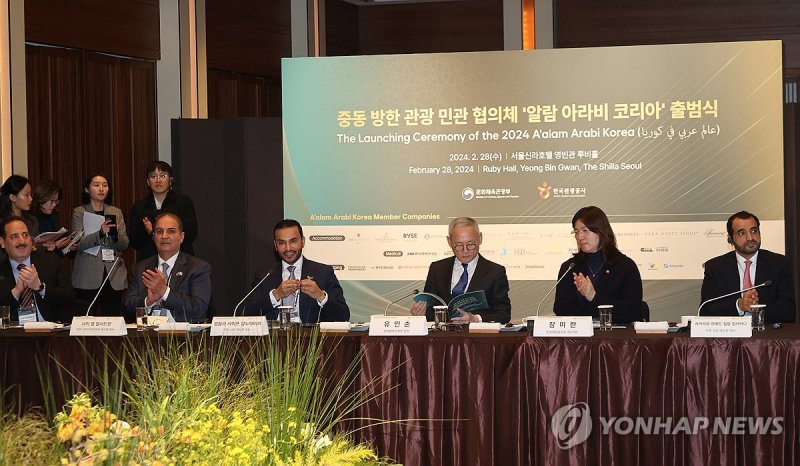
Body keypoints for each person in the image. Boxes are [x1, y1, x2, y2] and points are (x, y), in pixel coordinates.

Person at [243, 219, 349, 322]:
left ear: (302, 241)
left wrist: (320, 296)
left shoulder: (323, 272)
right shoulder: (264, 275)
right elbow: (246, 312)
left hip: (309, 334)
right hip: (274, 333)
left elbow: (343, 316)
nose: (288, 248)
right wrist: (276, 295)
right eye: (282, 243)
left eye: (293, 241)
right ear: (275, 245)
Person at [410, 217, 511, 324]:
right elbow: (431, 309)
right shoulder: (437, 269)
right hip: (443, 333)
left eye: (470, 244)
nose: (465, 250)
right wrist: (421, 314)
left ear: (480, 238)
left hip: (477, 334)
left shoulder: (495, 272)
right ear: (449, 241)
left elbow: (504, 314)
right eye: (458, 245)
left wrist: (476, 319)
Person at [700, 211, 795, 322]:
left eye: (754, 231)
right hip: (730, 332)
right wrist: (739, 305)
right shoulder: (715, 267)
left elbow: (789, 310)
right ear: (730, 239)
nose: (750, 237)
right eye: (741, 233)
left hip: (767, 331)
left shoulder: (779, 263)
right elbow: (706, 310)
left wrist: (757, 309)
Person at [553, 206, 644, 323]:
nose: (580, 237)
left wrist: (594, 297)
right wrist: (580, 296)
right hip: (578, 334)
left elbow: (633, 311)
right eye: (576, 232)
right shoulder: (570, 267)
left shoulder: (625, 266)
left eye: (585, 230)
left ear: (601, 231)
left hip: (614, 333)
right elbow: (559, 309)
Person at [122, 212, 211, 323]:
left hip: (183, 332)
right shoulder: (140, 268)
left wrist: (164, 291)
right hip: (148, 331)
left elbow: (199, 308)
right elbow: (126, 306)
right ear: (154, 237)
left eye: (171, 231)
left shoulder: (198, 267)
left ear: (182, 237)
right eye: (159, 231)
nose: (164, 236)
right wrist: (148, 302)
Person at [71, 174, 129, 316]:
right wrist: (100, 233)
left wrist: (115, 234)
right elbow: (78, 243)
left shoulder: (115, 212)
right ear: (87, 189)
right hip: (87, 273)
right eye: (96, 185)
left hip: (112, 273)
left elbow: (124, 245)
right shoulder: (80, 212)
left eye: (105, 185)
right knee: (85, 319)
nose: (101, 188)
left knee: (112, 318)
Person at [0, 216, 75, 322]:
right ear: (2, 242)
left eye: (25, 235)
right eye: (15, 236)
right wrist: (16, 292)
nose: (22, 241)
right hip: (15, 330)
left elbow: (69, 296)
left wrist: (40, 288)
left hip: (49, 327)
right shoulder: (2, 269)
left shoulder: (50, 260)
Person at [129, 161, 198, 261]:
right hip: (149, 260)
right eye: (153, 176)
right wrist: (148, 232)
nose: (158, 180)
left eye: (162, 176)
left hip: (181, 259)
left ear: (170, 180)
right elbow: (134, 240)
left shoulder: (183, 202)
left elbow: (191, 232)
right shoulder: (139, 207)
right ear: (148, 182)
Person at [31, 180, 73, 252]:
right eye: (52, 201)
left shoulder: (53, 216)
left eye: (56, 201)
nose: (54, 204)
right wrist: (55, 246)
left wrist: (67, 245)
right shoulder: (31, 219)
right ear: (42, 198)